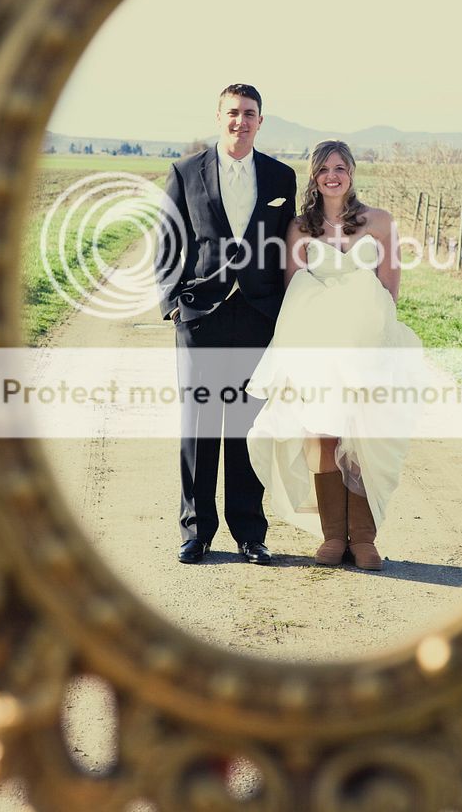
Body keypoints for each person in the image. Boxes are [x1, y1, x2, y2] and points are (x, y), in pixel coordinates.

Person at [246, 140, 422, 571]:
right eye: (324, 169)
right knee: (323, 434)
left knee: (363, 436)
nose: (332, 176)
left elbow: (389, 290)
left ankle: (363, 538)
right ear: (314, 176)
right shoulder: (299, 228)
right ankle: (333, 537)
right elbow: (294, 290)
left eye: (340, 167)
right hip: (317, 350)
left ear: (352, 173)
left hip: (366, 346)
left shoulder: (380, 222)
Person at [154, 83, 297, 565]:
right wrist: (173, 302)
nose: (241, 121)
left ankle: (250, 533)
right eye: (233, 112)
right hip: (200, 316)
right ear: (219, 117)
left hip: (257, 316)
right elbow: (167, 240)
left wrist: (286, 309)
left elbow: (288, 246)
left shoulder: (281, 177)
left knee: (247, 427)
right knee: (198, 427)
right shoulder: (185, 171)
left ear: (261, 121)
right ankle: (196, 531)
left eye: (250, 113)